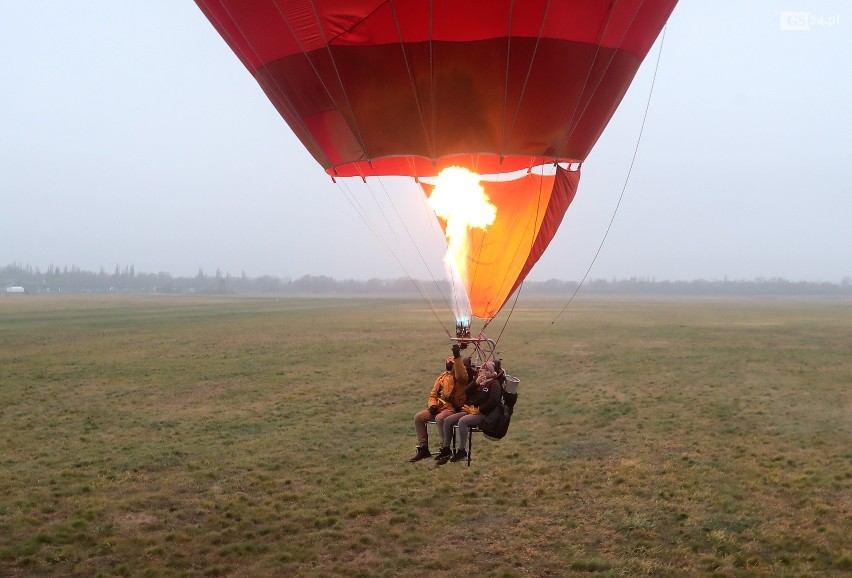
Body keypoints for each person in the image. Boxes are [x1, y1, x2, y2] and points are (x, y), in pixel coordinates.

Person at [436, 359, 504, 464]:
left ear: (491, 372)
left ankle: (462, 451)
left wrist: (479, 410)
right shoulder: (478, 381)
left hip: (484, 414)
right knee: (448, 420)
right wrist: (476, 383)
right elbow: (467, 392)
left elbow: (493, 401)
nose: (482, 372)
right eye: (482, 370)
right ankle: (446, 448)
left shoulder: (494, 384)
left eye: (485, 370)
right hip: (471, 410)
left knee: (463, 421)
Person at [409, 343, 468, 462]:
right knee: (418, 417)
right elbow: (433, 394)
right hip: (440, 406)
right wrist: (432, 405)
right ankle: (423, 448)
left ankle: (444, 449)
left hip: (452, 408)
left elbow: (461, 374)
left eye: (451, 364)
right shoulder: (442, 377)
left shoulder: (461, 379)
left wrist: (457, 356)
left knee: (440, 418)